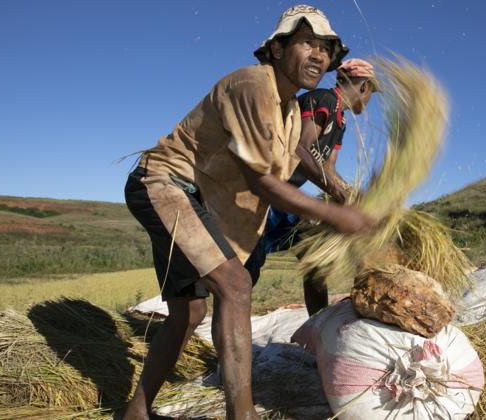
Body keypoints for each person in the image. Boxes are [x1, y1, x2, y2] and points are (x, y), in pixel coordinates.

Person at [122, 5, 373, 419]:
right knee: (235, 285)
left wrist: (338, 189)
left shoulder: (290, 110)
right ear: (276, 49)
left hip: (198, 201)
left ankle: (136, 413)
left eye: (326, 49)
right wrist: (334, 215)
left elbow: (298, 152)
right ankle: (243, 414)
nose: (318, 55)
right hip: (163, 184)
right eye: (307, 42)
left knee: (190, 312)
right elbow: (263, 181)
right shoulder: (251, 85)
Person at [243, 58, 378, 316]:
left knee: (315, 259)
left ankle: (319, 325)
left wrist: (352, 195)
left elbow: (327, 168)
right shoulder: (324, 100)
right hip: (266, 192)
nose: (370, 100)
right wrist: (338, 194)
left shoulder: (340, 121)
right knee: (247, 269)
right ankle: (231, 324)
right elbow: (299, 148)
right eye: (371, 92)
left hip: (285, 199)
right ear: (363, 87)